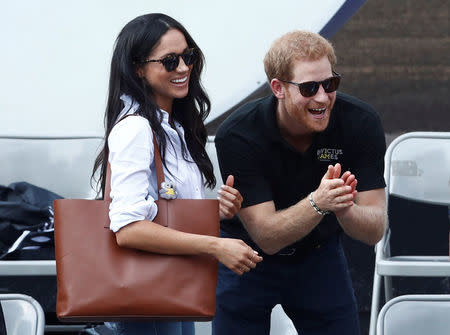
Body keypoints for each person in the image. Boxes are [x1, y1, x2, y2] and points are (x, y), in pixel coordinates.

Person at [92, 13, 262, 335]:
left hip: (174, 285)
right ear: (138, 68)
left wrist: (215, 211)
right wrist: (216, 246)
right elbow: (128, 229)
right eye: (170, 61)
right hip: (149, 291)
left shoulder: (172, 128)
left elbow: (165, 209)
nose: (184, 68)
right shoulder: (136, 129)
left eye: (189, 56)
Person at [213, 30, 387, 334]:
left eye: (330, 83)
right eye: (309, 88)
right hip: (247, 257)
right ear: (278, 88)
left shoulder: (361, 122)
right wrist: (319, 203)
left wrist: (345, 208)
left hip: (319, 255)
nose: (322, 97)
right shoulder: (239, 134)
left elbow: (375, 230)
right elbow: (267, 237)